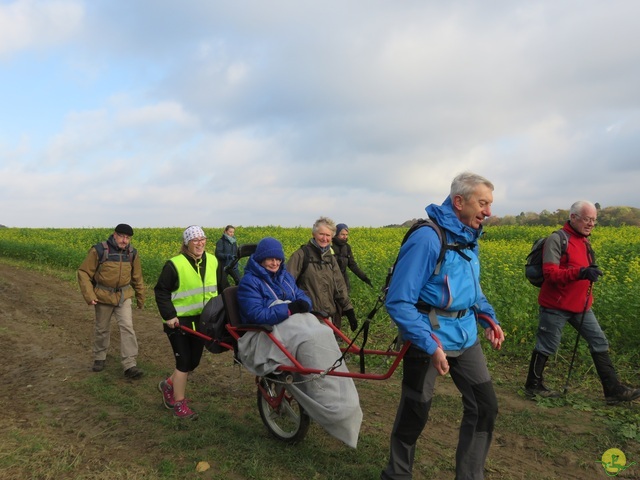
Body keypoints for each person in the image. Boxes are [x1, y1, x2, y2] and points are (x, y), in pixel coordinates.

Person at [381, 172, 505, 480]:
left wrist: (488, 318)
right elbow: (399, 301)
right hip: (428, 334)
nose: (488, 212)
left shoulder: (469, 236)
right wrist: (428, 343)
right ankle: (396, 474)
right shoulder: (428, 238)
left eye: (490, 204)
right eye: (483, 203)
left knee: (485, 407)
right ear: (459, 201)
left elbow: (472, 291)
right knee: (416, 409)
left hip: (466, 336)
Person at [236, 237, 363, 447]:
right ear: (259, 259)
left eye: (278, 259)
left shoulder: (284, 276)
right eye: (270, 259)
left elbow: (299, 295)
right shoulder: (249, 282)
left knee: (323, 332)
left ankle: (337, 394)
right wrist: (288, 309)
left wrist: (304, 303)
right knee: (310, 337)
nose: (275, 263)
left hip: (292, 325)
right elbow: (256, 314)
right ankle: (325, 397)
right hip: (265, 332)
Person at [524, 200, 640, 405]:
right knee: (547, 345)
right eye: (587, 219)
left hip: (581, 306)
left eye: (594, 220)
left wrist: (588, 273)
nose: (591, 224)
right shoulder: (557, 239)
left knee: (599, 341)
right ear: (574, 217)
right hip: (555, 305)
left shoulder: (585, 241)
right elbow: (550, 274)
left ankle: (613, 391)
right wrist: (581, 272)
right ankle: (533, 386)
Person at [154, 226, 219, 420]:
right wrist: (170, 315)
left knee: (193, 362)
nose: (200, 243)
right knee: (183, 363)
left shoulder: (214, 261)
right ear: (186, 243)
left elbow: (222, 288)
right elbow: (161, 291)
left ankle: (168, 385)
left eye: (202, 239)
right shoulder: (174, 265)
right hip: (179, 323)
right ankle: (179, 405)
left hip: (203, 322)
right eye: (195, 240)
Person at [77, 223, 145, 379]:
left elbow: (137, 277)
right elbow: (83, 273)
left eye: (127, 238)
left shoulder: (132, 253)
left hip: (123, 296)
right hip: (103, 296)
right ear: (114, 235)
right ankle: (99, 357)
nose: (124, 240)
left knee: (127, 327)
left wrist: (140, 297)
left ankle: (130, 364)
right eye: (121, 236)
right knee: (102, 328)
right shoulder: (99, 250)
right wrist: (90, 295)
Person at [286, 217, 359, 332]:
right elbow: (286, 284)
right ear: (313, 234)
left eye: (328, 235)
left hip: (326, 317)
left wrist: (348, 309)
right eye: (321, 234)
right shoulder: (301, 255)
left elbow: (339, 285)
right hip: (306, 317)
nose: (324, 238)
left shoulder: (330, 258)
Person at [331, 223, 372, 329]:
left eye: (346, 234)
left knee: (340, 308)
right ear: (336, 234)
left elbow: (352, 265)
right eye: (342, 234)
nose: (345, 237)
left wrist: (365, 278)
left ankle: (336, 333)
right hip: (331, 282)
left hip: (343, 282)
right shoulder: (330, 246)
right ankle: (333, 332)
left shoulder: (347, 248)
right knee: (333, 308)